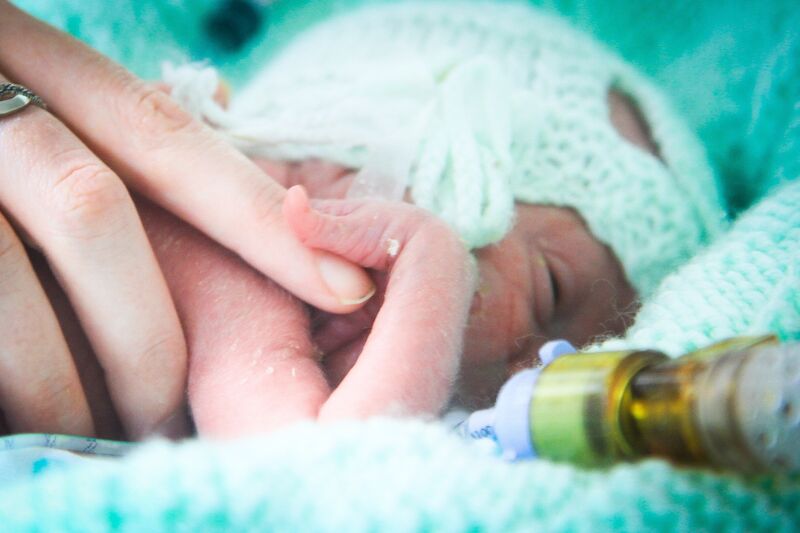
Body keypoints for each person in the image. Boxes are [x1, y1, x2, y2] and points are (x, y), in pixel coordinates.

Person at [2, 1, 725, 440]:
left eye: (563, 365)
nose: (527, 375)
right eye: (549, 289)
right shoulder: (237, 284)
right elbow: (319, 469)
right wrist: (431, 264)